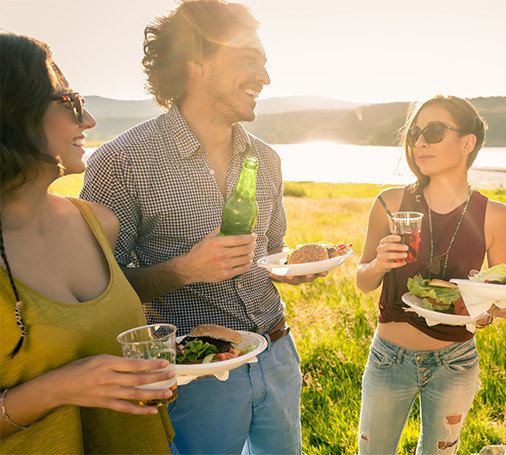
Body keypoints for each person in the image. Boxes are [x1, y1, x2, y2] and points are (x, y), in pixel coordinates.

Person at [80, 1, 321, 453]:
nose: (265, 78)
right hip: (194, 376)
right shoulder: (122, 162)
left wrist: (291, 269)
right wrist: (185, 269)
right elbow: (98, 293)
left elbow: (271, 252)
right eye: (249, 59)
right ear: (196, 60)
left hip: (278, 354)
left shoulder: (266, 159)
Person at [0, 32, 174, 453]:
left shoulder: (97, 223)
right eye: (70, 101)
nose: (89, 121)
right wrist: (57, 388)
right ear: (13, 111)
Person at [355, 95, 506, 453]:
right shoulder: (391, 202)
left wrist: (498, 307)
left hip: (455, 363)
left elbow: (502, 303)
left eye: (433, 131)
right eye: (415, 134)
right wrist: (379, 264)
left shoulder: (496, 216)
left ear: (467, 142)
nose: (419, 143)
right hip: (389, 356)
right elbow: (363, 282)